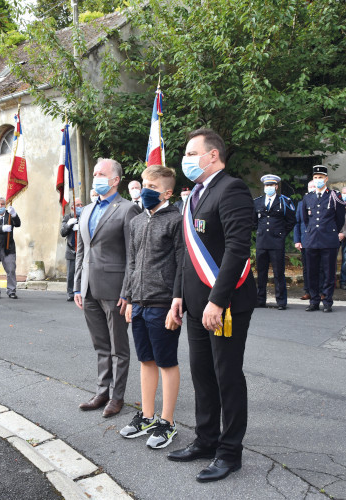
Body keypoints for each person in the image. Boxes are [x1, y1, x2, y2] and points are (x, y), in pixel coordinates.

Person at [167, 129, 256, 483]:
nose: (186, 159)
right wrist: (179, 295)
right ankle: (206, 440)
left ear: (213, 155)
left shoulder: (231, 189)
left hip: (225, 304)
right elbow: (188, 255)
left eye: (192, 152)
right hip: (194, 303)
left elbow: (237, 249)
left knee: (226, 376)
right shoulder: (195, 195)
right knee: (202, 374)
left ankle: (229, 452)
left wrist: (217, 301)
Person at [120, 165, 184, 449]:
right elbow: (131, 264)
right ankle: (146, 416)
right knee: (146, 360)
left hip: (163, 303)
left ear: (167, 192)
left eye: (153, 187)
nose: (145, 191)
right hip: (139, 303)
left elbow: (183, 265)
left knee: (167, 362)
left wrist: (176, 304)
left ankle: (167, 421)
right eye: (144, 184)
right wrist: (128, 298)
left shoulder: (176, 220)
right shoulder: (135, 222)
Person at [74, 158, 142, 418]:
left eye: (101, 173)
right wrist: (78, 286)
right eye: (94, 173)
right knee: (100, 345)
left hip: (115, 289)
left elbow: (131, 255)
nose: (96, 177)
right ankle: (102, 391)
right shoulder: (88, 209)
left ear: (115, 180)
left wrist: (127, 292)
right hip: (88, 288)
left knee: (118, 347)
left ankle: (117, 396)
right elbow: (82, 250)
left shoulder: (127, 210)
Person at [301, 165, 346, 313]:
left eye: (320, 177)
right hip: (312, 239)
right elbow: (306, 220)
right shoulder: (308, 197)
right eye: (315, 177)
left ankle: (327, 301)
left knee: (328, 272)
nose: (318, 180)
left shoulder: (334, 196)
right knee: (312, 272)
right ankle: (314, 301)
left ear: (326, 179)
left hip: (328, 239)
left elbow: (340, 219)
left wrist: (331, 231)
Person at [252, 174, 295, 310]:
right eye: (266, 185)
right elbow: (253, 221)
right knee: (261, 272)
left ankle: (281, 301)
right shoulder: (257, 202)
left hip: (276, 242)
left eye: (271, 185)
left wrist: (281, 234)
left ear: (276, 186)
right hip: (262, 241)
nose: (268, 188)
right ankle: (260, 300)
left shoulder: (284, 201)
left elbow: (291, 221)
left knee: (278, 273)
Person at [294, 181, 317, 300]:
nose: (312, 188)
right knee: (307, 267)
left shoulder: (322, 203)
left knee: (320, 267)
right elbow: (297, 223)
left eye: (314, 186)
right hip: (305, 240)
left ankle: (321, 291)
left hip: (318, 241)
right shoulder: (301, 203)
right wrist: (297, 240)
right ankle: (308, 291)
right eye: (310, 187)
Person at [60, 198, 83, 302]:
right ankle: (70, 293)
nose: (80, 207)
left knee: (82, 273)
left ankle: (81, 292)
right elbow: (63, 232)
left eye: (81, 205)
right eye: (78, 205)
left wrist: (80, 227)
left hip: (82, 250)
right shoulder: (67, 217)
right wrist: (69, 225)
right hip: (71, 249)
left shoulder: (84, 216)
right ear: (73, 207)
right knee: (71, 273)